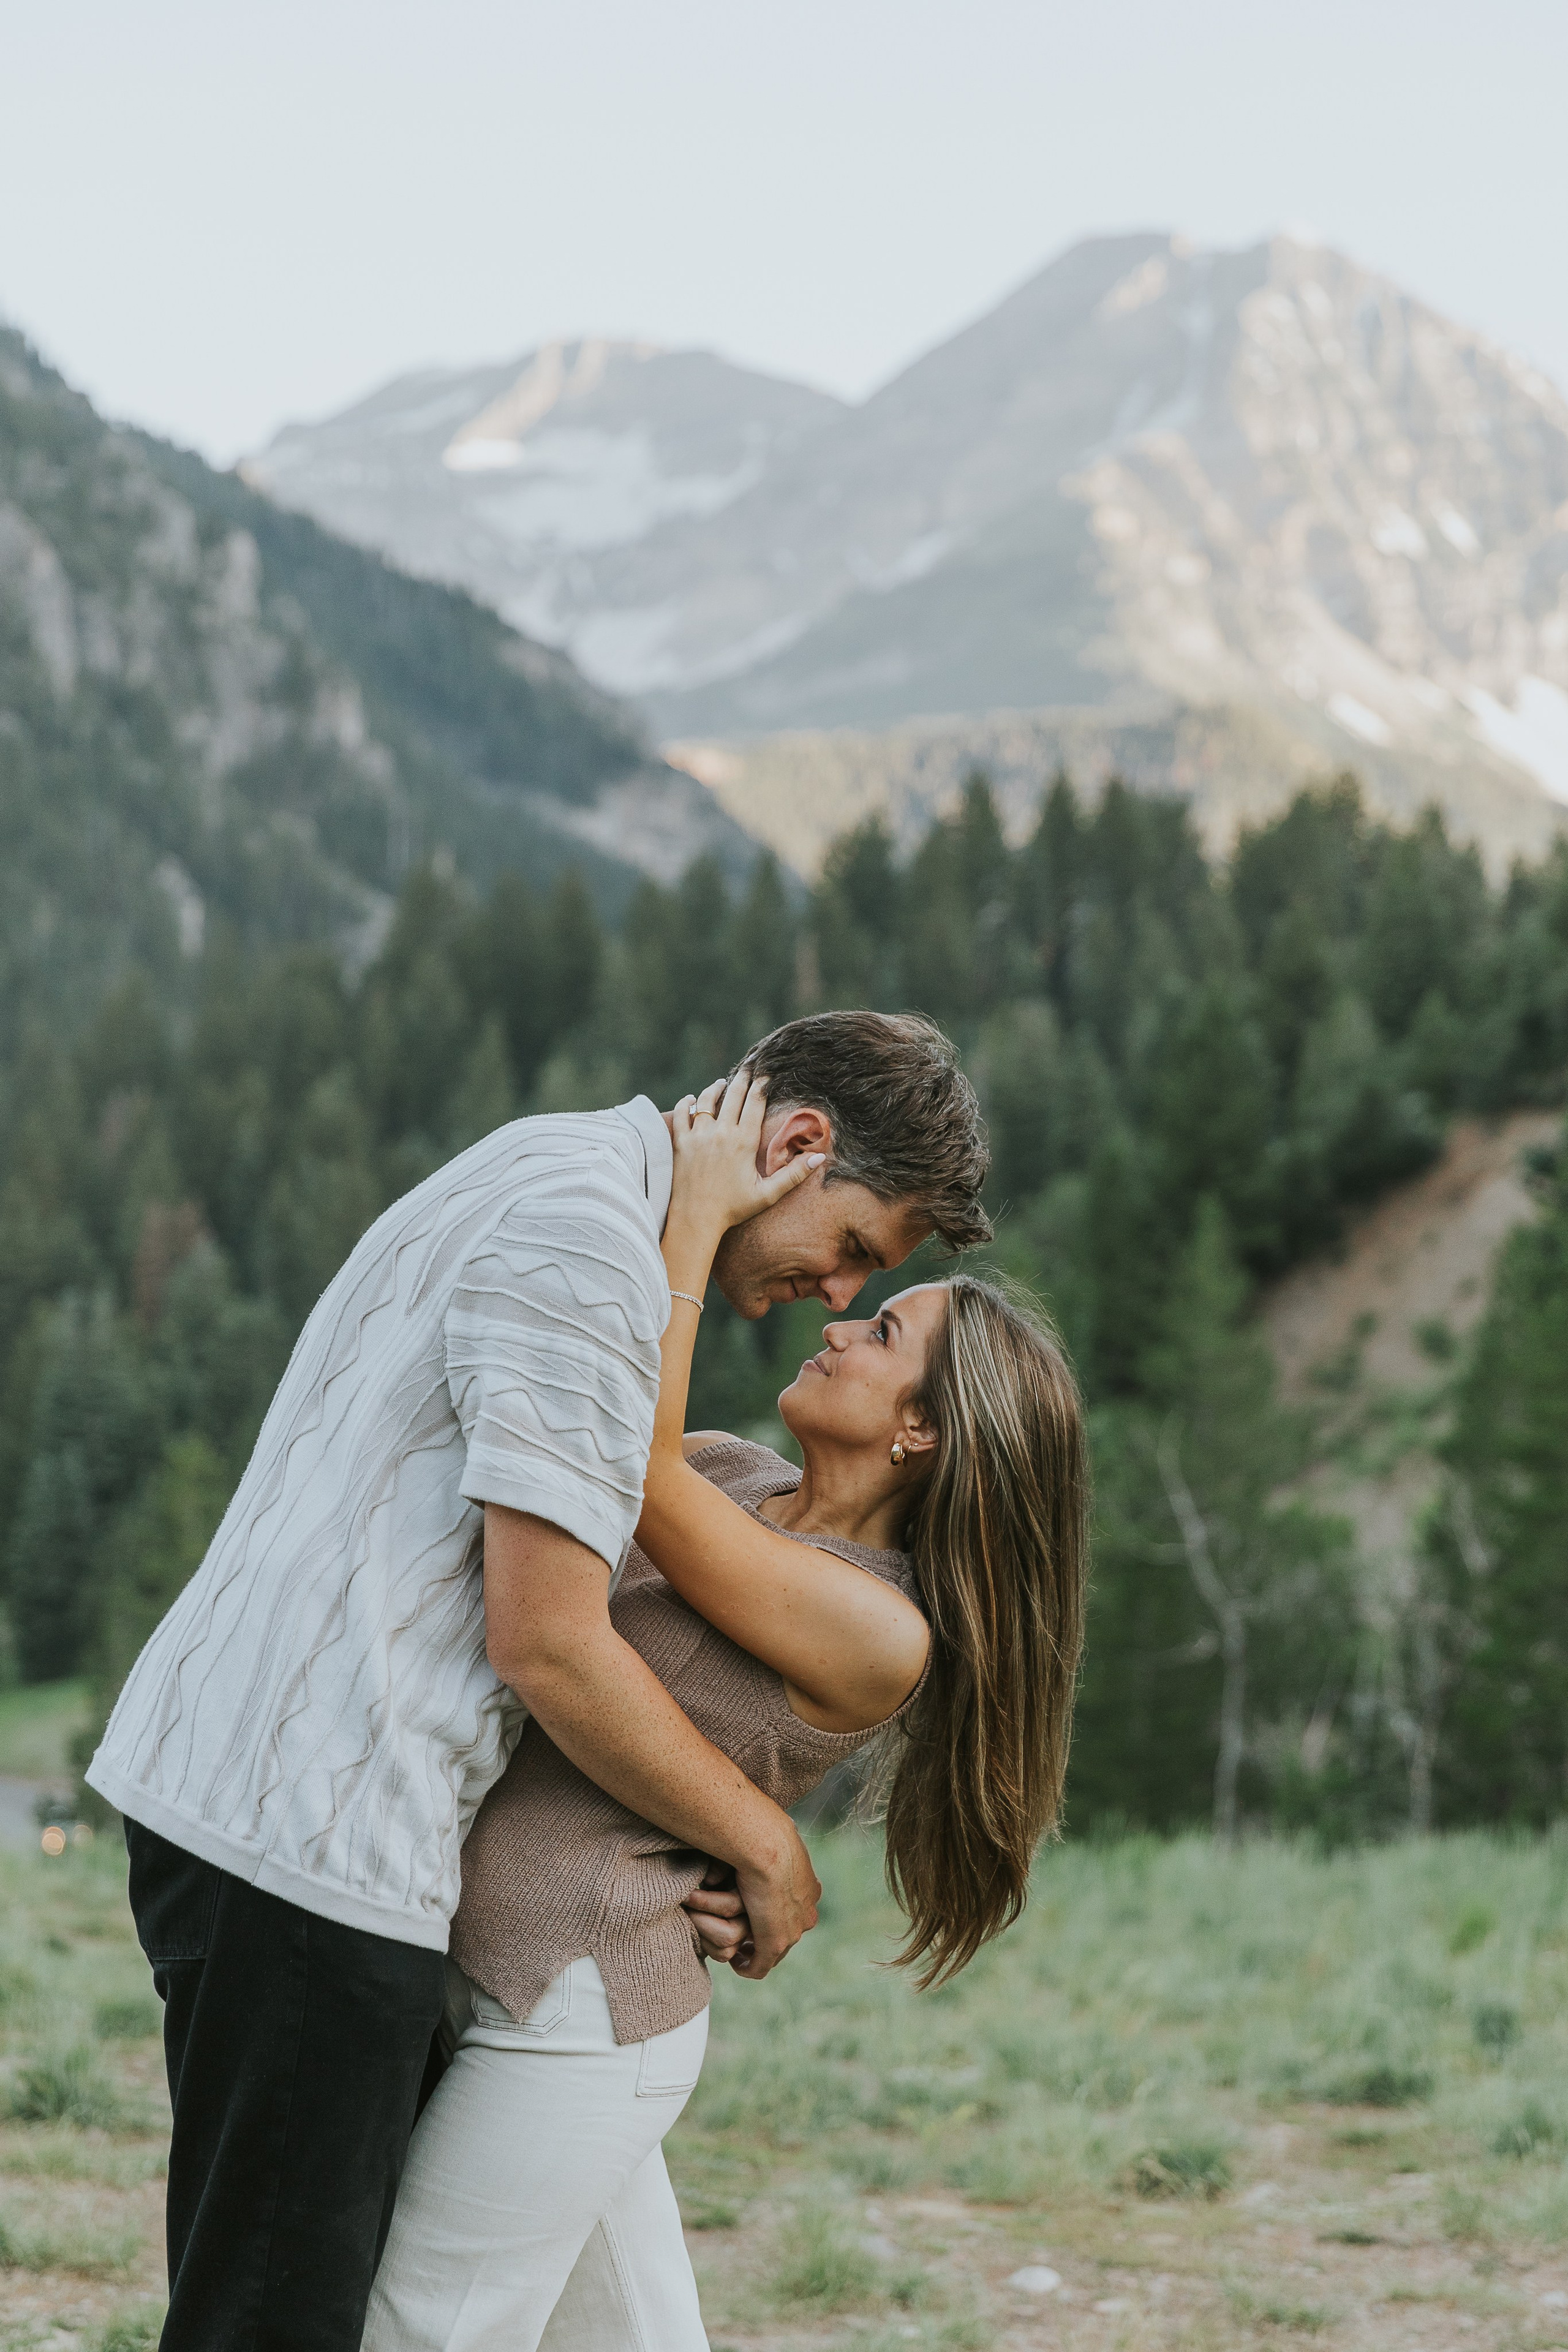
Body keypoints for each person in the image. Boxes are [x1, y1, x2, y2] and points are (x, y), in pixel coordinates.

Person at [85, 1010, 990, 2352]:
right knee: (281, 2322)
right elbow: (553, 1637)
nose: (834, 1295)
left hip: (308, 1812)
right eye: (852, 1248)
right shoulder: (591, 1243)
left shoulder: (554, 1167)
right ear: (793, 1147)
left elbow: (635, 1506)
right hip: (322, 1824)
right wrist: (764, 1847)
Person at [361, 1071, 1088, 2351]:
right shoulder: (730, 1475)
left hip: (577, 2015)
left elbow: (630, 1476)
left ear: (920, 1433)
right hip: (509, 1976)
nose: (838, 1321)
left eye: (880, 1335)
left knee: (418, 2329)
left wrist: (692, 1222)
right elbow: (600, 1478)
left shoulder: (877, 1623)